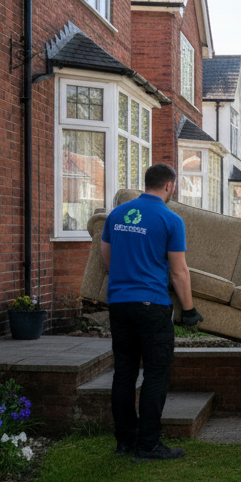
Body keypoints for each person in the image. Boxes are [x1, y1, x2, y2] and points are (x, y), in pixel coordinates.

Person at [101, 163, 203, 462]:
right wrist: (190, 310)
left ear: (146, 182)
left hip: (119, 304)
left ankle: (124, 442)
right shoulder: (170, 220)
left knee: (124, 374)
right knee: (156, 374)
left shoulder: (117, 214)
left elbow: (106, 258)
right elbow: (179, 272)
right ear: (169, 186)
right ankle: (148, 445)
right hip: (152, 306)